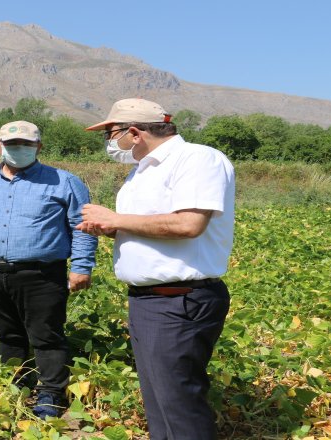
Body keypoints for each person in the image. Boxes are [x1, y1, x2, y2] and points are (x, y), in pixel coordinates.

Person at [79, 98, 235, 439]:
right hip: (151, 301)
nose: (108, 142)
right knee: (161, 401)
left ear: (133, 133)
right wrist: (112, 228)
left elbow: (189, 224)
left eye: (110, 133)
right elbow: (149, 227)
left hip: (179, 301)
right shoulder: (143, 170)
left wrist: (117, 219)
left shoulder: (196, 159)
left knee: (179, 404)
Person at [0, 120, 98, 419]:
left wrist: (81, 266)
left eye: (26, 145)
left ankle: (51, 395)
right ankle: (15, 387)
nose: (19, 150)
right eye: (13, 145)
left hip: (41, 274)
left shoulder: (64, 181)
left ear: (38, 147)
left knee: (46, 335)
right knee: (5, 334)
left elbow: (82, 228)